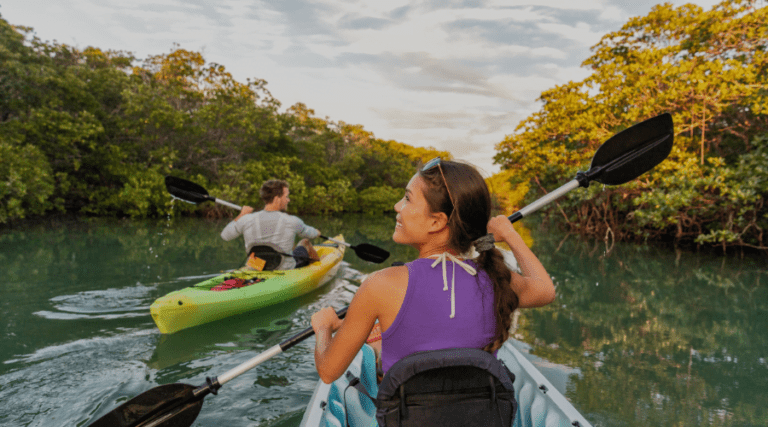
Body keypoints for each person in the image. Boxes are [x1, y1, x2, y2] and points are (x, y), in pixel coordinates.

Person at [311, 158, 556, 384]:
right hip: (478, 416)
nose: (398, 207)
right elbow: (545, 290)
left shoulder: (381, 284)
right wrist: (511, 236)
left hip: (409, 417)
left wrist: (323, 327)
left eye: (407, 199)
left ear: (436, 222)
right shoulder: (497, 278)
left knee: (376, 345)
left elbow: (329, 372)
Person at [221, 179, 321, 270]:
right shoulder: (292, 221)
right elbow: (311, 234)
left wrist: (241, 215)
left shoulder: (246, 219)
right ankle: (320, 268)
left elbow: (225, 235)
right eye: (286, 196)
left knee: (290, 245)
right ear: (277, 199)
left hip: (256, 267)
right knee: (304, 242)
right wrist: (317, 232)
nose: (288, 200)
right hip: (284, 269)